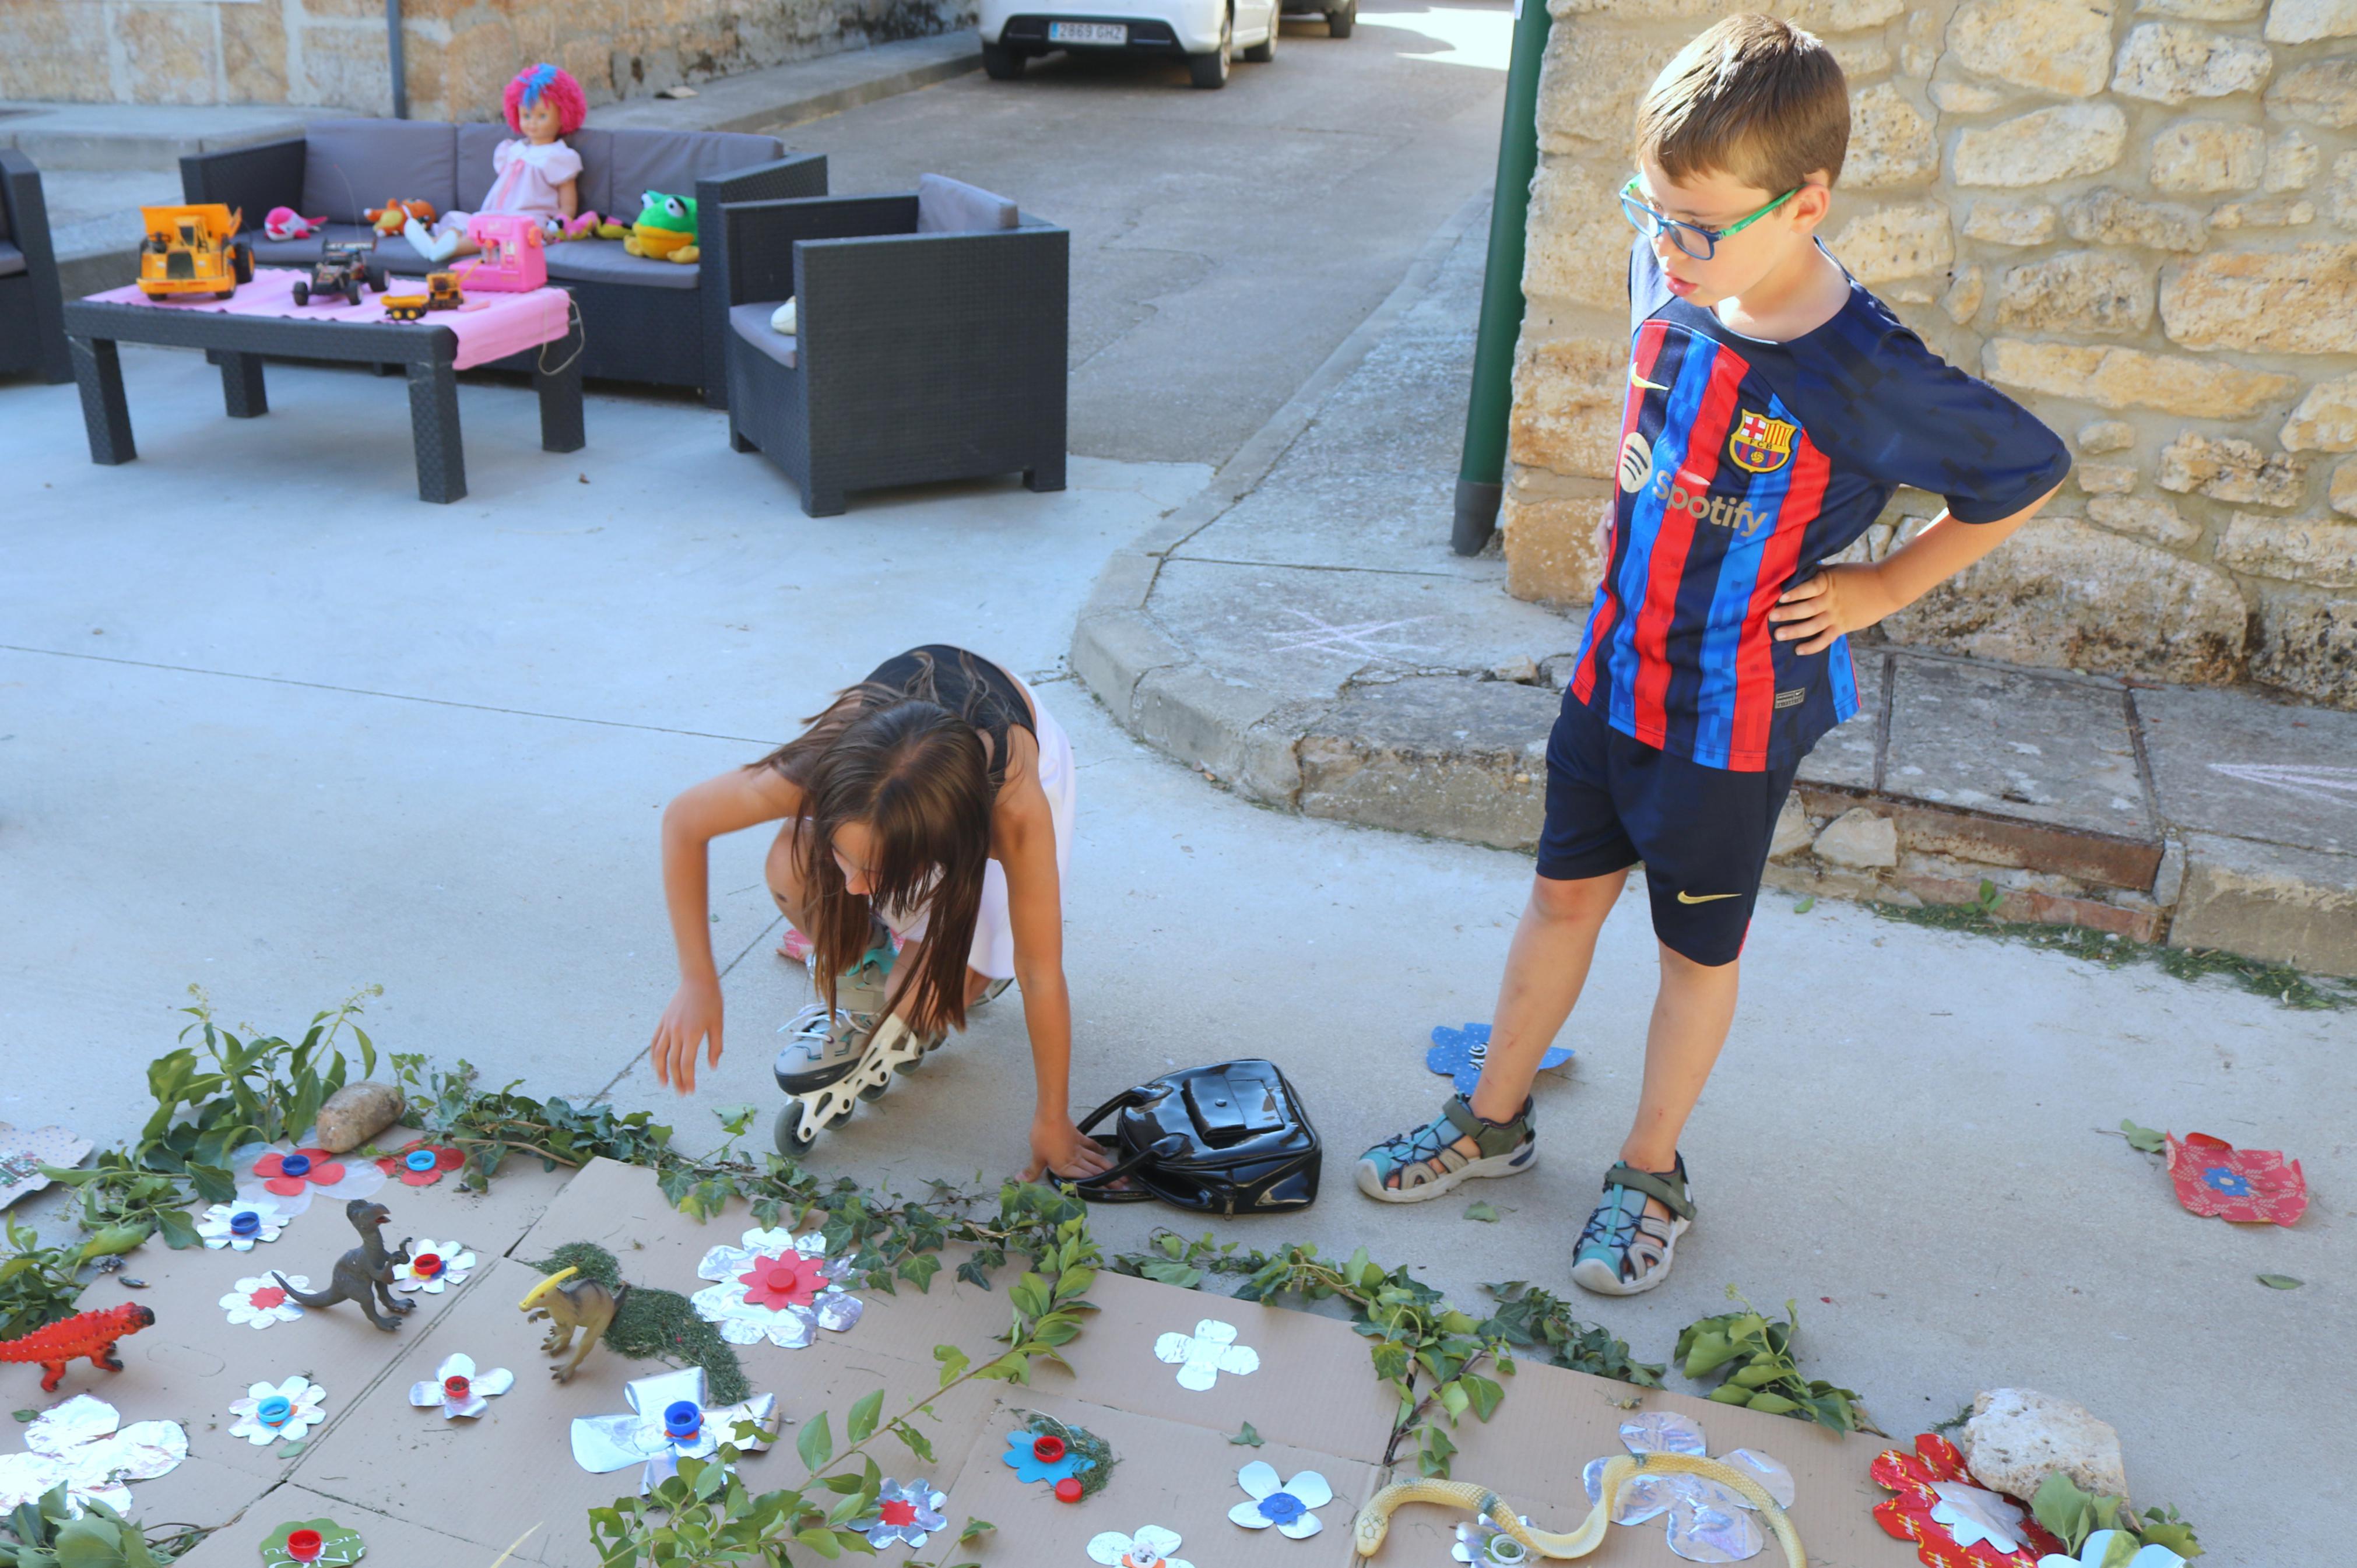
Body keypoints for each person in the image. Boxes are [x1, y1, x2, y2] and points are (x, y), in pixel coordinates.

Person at [1355, 15, 2070, 1295]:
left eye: (1698, 224)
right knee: (1557, 902)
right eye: (1652, 208)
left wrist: (1883, 585)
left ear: (1806, 203)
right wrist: (1670, 239)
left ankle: (1647, 1168)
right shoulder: (1668, 267)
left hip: (1730, 720)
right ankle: (1489, 1121)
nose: (1664, 247)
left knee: (1695, 958)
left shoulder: (1865, 372)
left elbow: (2022, 472)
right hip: (1610, 679)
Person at [649, 646, 1112, 1182]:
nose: (853, 887)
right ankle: (868, 961)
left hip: (995, 774)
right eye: (844, 855)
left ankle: (959, 960)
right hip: (904, 750)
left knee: (936, 999)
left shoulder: (1014, 810)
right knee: (787, 867)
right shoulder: (823, 761)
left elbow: (1040, 971)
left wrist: (1051, 1117)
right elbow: (685, 820)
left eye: (876, 871)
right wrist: (697, 980)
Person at [406, 64, 603, 263]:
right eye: (526, 116)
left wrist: (554, 227)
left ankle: (450, 248)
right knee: (465, 222)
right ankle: (434, 243)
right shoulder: (512, 149)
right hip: (496, 214)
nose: (532, 123)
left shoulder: (559, 156)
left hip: (529, 219)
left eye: (542, 116)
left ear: (564, 116)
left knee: (493, 236)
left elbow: (568, 205)